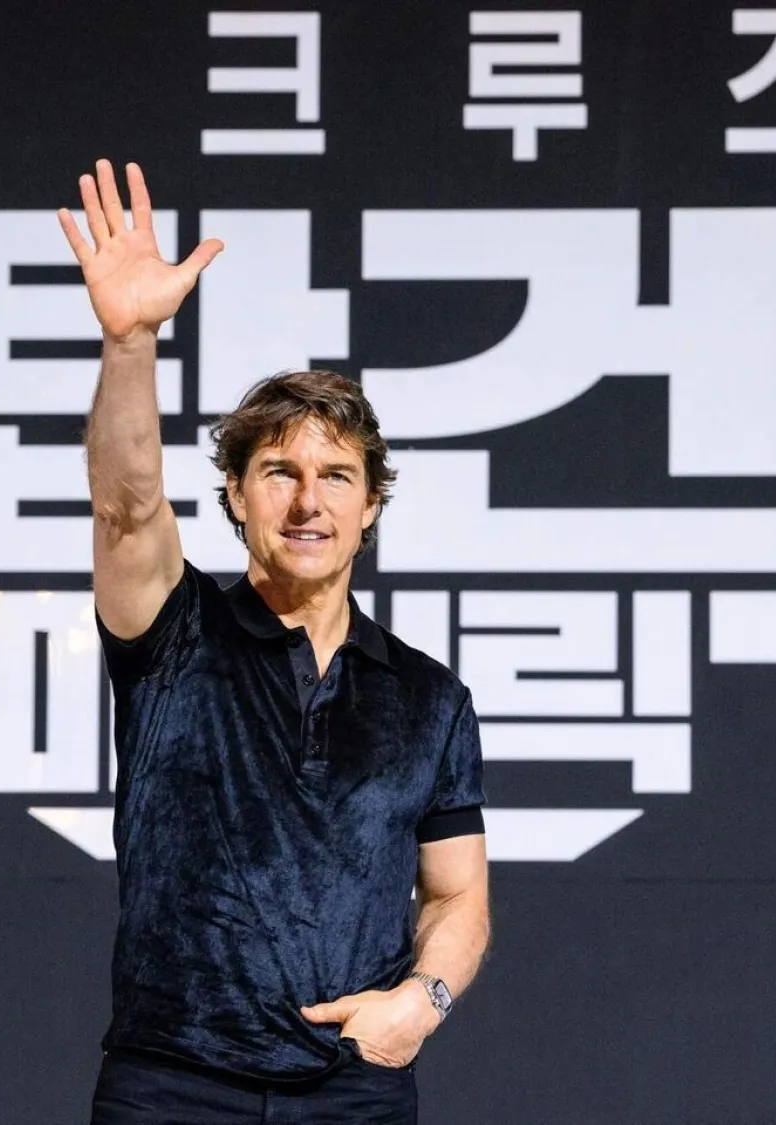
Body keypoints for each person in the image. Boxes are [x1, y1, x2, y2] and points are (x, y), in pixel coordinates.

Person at [57, 160, 491, 1125]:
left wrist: (418, 1007)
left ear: (370, 503)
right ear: (237, 498)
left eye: (337, 476)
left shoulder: (428, 698)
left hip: (353, 1089)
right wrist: (129, 341)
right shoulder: (173, 635)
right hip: (171, 1081)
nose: (307, 501)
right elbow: (126, 506)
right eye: (278, 471)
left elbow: (459, 899)